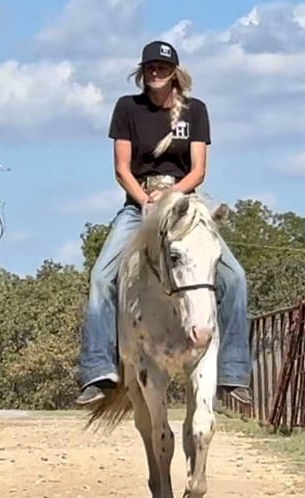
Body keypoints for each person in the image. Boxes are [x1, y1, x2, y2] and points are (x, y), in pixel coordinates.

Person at [75, 40, 253, 407]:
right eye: (150, 67)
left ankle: (234, 372)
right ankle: (98, 369)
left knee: (234, 277)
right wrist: (144, 201)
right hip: (138, 203)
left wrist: (172, 199)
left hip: (184, 203)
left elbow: (199, 170)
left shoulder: (195, 111)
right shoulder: (128, 108)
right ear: (142, 72)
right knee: (101, 277)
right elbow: (122, 168)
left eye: (163, 66)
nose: (156, 72)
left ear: (175, 72)